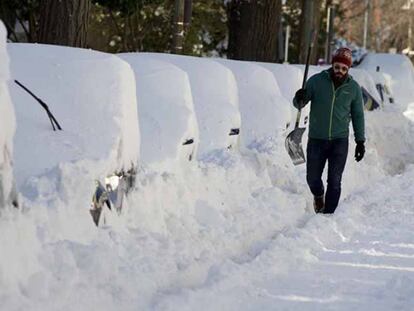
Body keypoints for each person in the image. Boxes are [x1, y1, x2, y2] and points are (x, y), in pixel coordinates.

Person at [293, 47, 365, 214]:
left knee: (334, 180)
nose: (340, 71)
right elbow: (299, 104)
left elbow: (358, 115)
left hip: (339, 141)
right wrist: (299, 97)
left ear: (348, 69)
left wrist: (360, 141)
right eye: (337, 67)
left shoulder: (353, 88)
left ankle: (328, 216)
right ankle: (318, 196)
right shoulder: (316, 81)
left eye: (344, 68)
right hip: (317, 138)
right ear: (332, 65)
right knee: (312, 179)